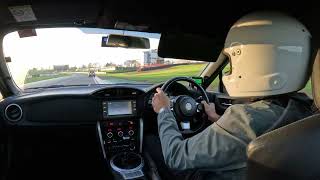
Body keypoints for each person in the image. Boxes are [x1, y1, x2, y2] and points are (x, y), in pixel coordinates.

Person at [148, 12, 314, 180]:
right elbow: (251, 136)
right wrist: (216, 118)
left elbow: (176, 157)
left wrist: (163, 111)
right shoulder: (306, 109)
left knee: (150, 142)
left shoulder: (243, 119)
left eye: (231, 65)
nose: (229, 72)